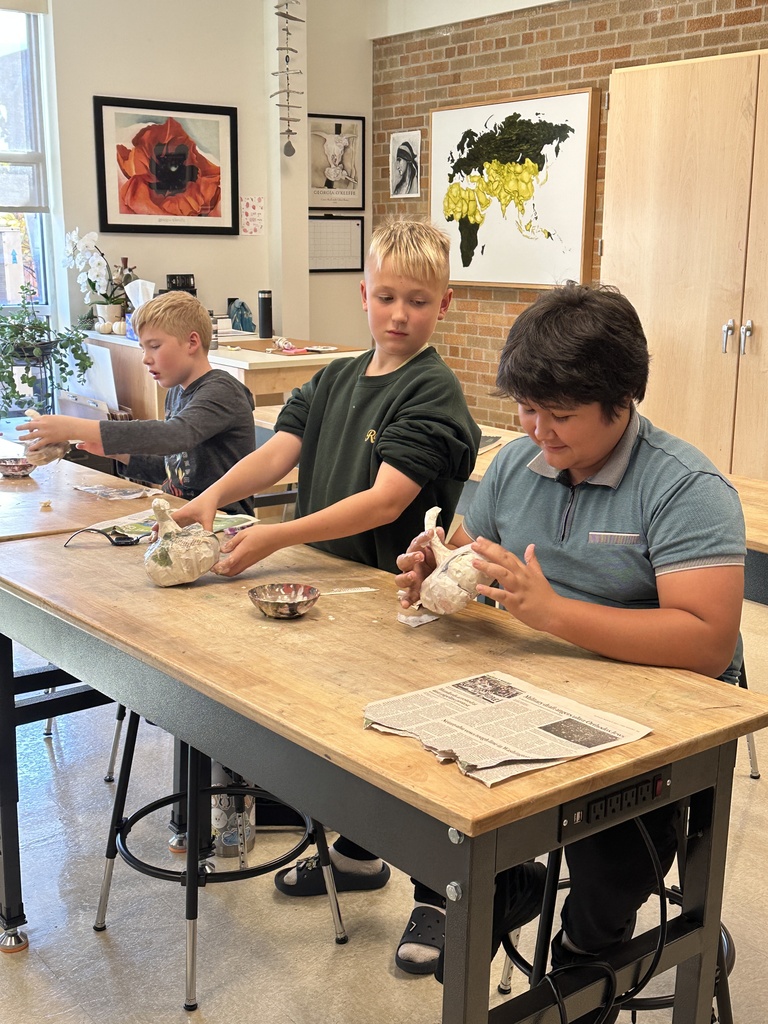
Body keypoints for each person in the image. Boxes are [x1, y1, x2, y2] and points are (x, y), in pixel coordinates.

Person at [394, 282, 745, 1022]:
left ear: (621, 401)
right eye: (526, 410)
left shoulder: (684, 487)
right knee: (421, 785)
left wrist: (554, 613)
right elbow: (469, 551)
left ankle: (585, 964)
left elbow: (709, 643)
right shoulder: (519, 463)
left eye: (559, 416)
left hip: (663, 714)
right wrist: (438, 571)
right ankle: (504, 883)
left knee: (611, 859)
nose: (537, 432)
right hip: (538, 689)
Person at [172, 217, 481, 896]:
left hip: (391, 600)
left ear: (445, 305)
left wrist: (277, 537)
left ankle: (435, 900)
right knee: (348, 742)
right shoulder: (336, 377)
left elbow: (382, 503)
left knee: (413, 756)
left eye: (419, 301)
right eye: (389, 297)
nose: (400, 315)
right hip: (329, 590)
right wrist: (213, 496)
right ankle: (357, 860)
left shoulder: (432, 391)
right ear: (364, 294)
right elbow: (280, 453)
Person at [16, 290, 256, 516]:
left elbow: (174, 436)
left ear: (192, 342)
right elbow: (175, 470)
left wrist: (74, 427)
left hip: (225, 521)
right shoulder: (176, 392)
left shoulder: (222, 391)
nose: (145, 358)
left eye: (154, 346)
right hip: (181, 515)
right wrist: (120, 453)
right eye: (143, 347)